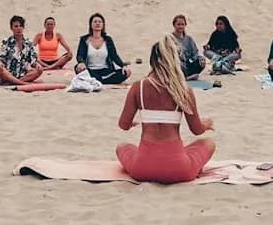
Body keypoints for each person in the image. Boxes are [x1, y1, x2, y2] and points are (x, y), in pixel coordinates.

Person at [115, 34, 216, 183]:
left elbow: (123, 125)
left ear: (152, 61)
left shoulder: (138, 87)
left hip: (142, 169)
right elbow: (196, 130)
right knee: (208, 143)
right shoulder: (183, 90)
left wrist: (130, 124)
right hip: (179, 170)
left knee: (121, 146)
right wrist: (205, 124)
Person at [74, 13, 131, 84]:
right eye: (95, 22)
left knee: (125, 72)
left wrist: (123, 66)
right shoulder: (84, 39)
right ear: (91, 25)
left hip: (106, 70)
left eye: (100, 22)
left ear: (103, 24)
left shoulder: (108, 39)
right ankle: (102, 80)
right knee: (78, 68)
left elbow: (114, 56)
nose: (97, 23)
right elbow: (80, 55)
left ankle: (98, 80)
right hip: (90, 70)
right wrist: (81, 63)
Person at [0, 15, 43, 86]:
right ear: (11, 28)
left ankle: (15, 81)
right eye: (16, 26)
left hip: (22, 74)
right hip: (8, 73)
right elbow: (1, 58)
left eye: (21, 26)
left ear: (23, 27)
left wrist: (37, 65)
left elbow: (33, 60)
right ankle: (21, 83)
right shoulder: (7, 41)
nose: (19, 28)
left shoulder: (28, 43)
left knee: (40, 70)